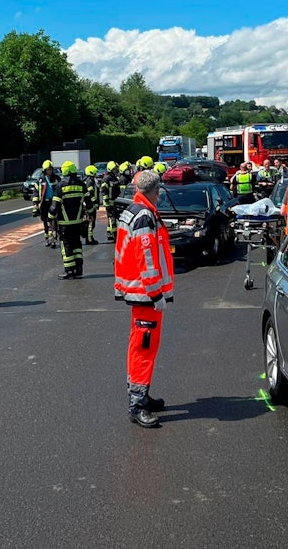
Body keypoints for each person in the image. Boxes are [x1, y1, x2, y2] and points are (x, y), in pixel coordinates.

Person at [113, 169, 174, 428]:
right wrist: (156, 292)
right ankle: (137, 404)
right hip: (145, 293)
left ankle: (140, 394)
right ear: (154, 189)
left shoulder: (134, 210)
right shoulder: (144, 216)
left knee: (139, 345)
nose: (160, 194)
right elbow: (147, 258)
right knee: (144, 348)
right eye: (159, 189)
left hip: (138, 290)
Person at [50, 160, 92, 278]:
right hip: (78, 221)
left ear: (65, 171)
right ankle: (79, 269)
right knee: (77, 244)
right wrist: (89, 214)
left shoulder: (60, 186)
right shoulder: (81, 184)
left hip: (64, 223)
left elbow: (55, 206)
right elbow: (88, 203)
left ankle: (69, 270)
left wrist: (50, 217)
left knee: (66, 245)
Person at [33, 160, 60, 248]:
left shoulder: (56, 179)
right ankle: (48, 239)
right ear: (44, 170)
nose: (49, 171)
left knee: (52, 221)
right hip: (44, 203)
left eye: (50, 169)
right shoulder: (41, 180)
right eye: (48, 169)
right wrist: (35, 204)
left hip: (53, 202)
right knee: (45, 222)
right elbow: (36, 192)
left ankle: (53, 240)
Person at [100, 161, 122, 240]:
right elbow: (104, 191)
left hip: (115, 201)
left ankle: (109, 233)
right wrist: (107, 202)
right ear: (110, 169)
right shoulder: (106, 179)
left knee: (112, 217)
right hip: (109, 202)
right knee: (112, 218)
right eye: (114, 169)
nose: (116, 170)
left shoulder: (115, 178)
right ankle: (114, 235)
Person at [83, 164, 101, 245]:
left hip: (89, 205)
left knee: (91, 221)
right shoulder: (89, 181)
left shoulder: (89, 180)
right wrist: (95, 202)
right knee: (91, 221)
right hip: (90, 205)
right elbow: (90, 194)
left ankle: (89, 237)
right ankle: (89, 239)